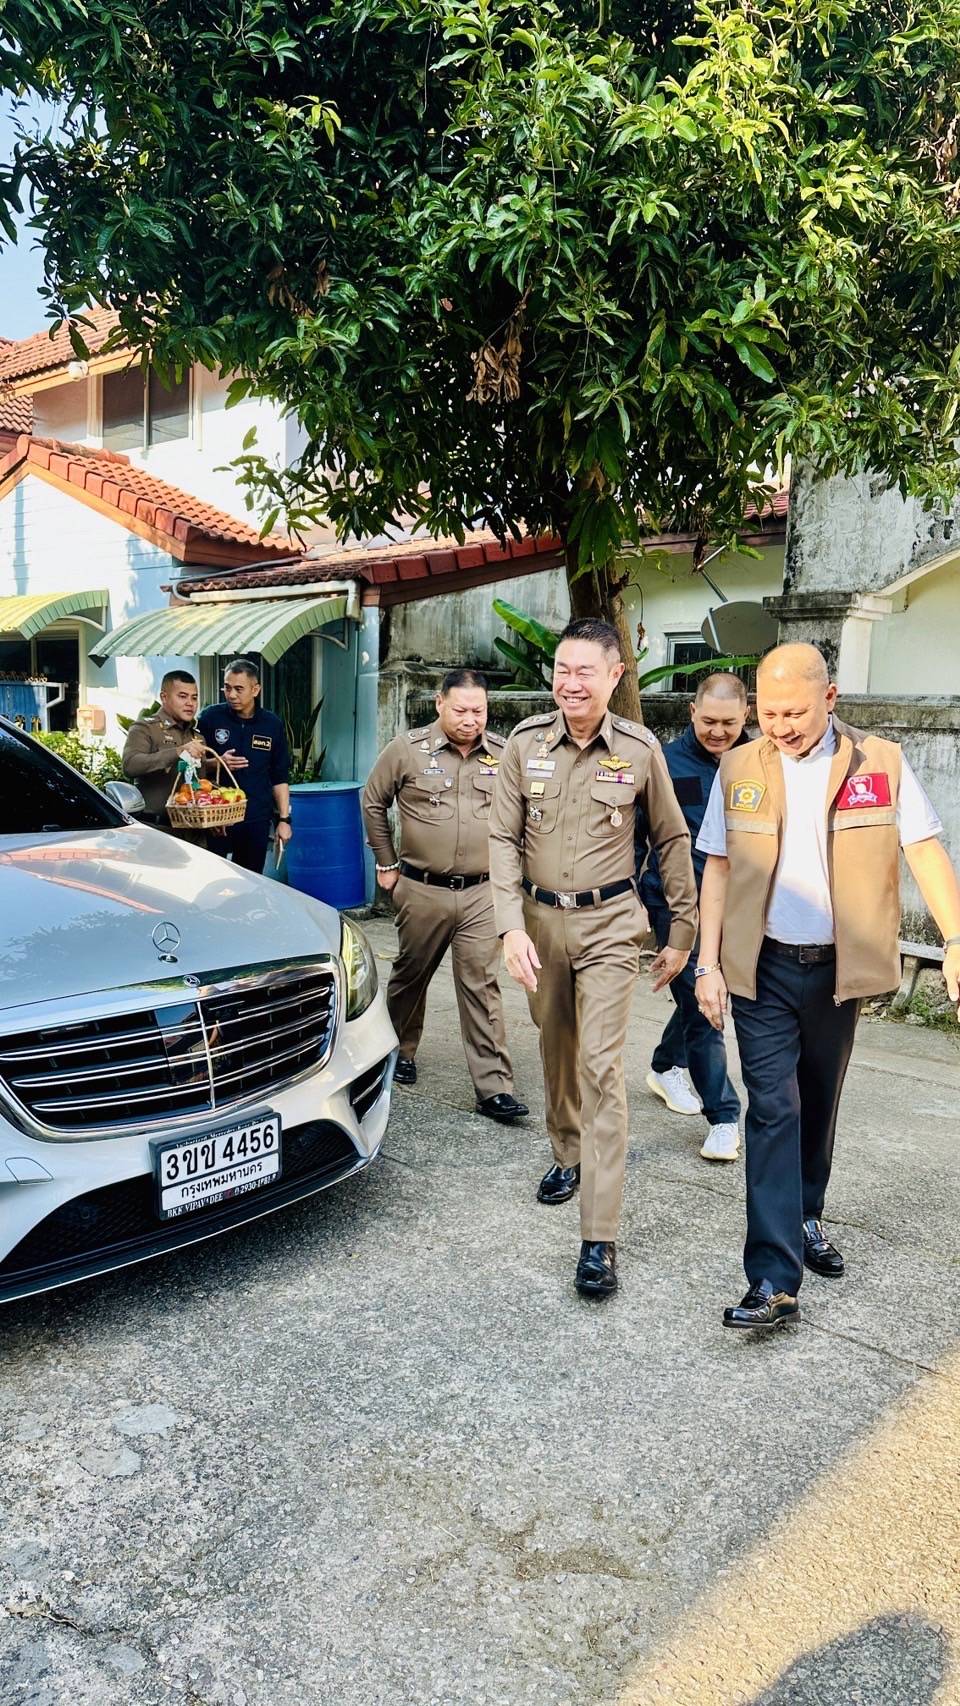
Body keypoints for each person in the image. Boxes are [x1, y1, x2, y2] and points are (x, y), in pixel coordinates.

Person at [695, 642, 960, 1330]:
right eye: (769, 713)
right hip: (762, 967)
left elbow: (923, 848)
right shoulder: (740, 767)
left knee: (818, 1099)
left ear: (830, 698)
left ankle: (807, 1213)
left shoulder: (881, 763)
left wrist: (955, 939)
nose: (780, 726)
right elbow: (717, 866)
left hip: (840, 971)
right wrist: (707, 963)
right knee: (772, 1108)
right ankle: (772, 1279)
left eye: (795, 713)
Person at [488, 618, 699, 1298]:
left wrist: (682, 930)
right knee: (556, 1046)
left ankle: (598, 1237)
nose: (570, 682)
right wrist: (509, 928)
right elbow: (502, 839)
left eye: (585, 671)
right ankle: (567, 1151)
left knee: (602, 1068)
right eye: (562, 669)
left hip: (610, 925)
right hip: (538, 922)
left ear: (615, 676)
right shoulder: (525, 744)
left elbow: (670, 839)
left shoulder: (638, 749)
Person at [362, 667, 528, 1123]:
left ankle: (494, 1087)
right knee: (410, 974)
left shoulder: (503, 754)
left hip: (483, 892)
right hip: (422, 889)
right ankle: (398, 1050)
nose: (471, 719)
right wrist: (386, 861)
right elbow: (373, 801)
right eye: (460, 710)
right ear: (439, 704)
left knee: (482, 984)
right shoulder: (407, 749)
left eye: (479, 711)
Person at [639, 673, 750, 1162]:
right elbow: (636, 835)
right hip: (678, 905)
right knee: (706, 1006)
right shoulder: (663, 763)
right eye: (708, 721)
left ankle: (666, 1064)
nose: (718, 731)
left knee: (697, 995)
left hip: (736, 906)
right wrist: (634, 898)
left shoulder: (760, 762)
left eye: (729, 722)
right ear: (691, 712)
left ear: (746, 715)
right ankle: (724, 1117)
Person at [198, 658, 292, 873]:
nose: (231, 694)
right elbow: (193, 766)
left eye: (239, 689)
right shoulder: (210, 718)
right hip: (217, 818)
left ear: (255, 689)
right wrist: (216, 763)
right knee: (214, 877)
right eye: (227, 687)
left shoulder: (271, 724)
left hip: (256, 818)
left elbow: (279, 776)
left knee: (251, 880)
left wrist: (284, 820)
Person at [122, 670, 205, 836]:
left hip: (194, 832)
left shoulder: (197, 737)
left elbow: (200, 783)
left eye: (194, 697)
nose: (190, 703)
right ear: (164, 697)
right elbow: (130, 765)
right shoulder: (145, 728)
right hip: (157, 830)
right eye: (182, 696)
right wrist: (178, 751)